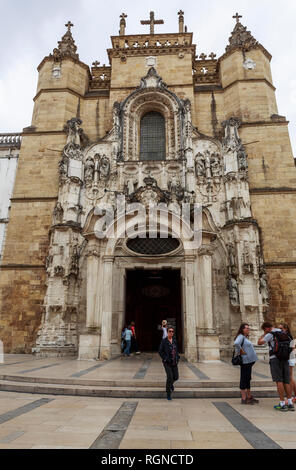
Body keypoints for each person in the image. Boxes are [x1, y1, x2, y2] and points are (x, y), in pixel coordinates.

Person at [258, 321, 294, 411]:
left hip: (275, 358)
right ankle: (290, 402)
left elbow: (260, 343)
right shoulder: (286, 333)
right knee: (287, 381)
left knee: (279, 381)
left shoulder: (271, 334)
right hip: (285, 358)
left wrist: (263, 335)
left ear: (266, 328)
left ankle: (282, 403)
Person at [234, 323, 259, 404]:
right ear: (242, 329)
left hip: (249, 361)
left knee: (248, 379)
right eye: (247, 328)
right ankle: (244, 398)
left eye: (249, 328)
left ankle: (249, 396)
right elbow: (236, 343)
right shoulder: (240, 336)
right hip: (245, 361)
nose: (248, 330)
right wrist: (241, 351)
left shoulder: (244, 337)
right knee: (244, 379)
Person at [158, 326, 180, 401]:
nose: (171, 333)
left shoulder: (174, 341)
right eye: (169, 331)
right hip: (167, 363)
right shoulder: (164, 341)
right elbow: (160, 351)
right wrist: (165, 358)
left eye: (172, 331)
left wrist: (177, 357)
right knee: (170, 377)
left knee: (176, 377)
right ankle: (168, 394)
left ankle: (170, 385)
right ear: (167, 332)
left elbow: (176, 350)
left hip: (174, 362)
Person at [278, 322, 296, 402]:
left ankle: (292, 397)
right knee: (290, 377)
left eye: (281, 328)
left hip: (289, 357)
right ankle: (293, 396)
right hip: (289, 357)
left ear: (285, 329)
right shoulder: (287, 336)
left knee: (289, 378)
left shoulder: (288, 336)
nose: (280, 330)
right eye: (279, 329)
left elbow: (292, 347)